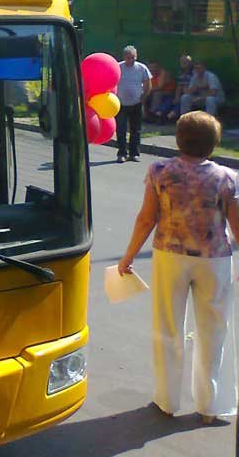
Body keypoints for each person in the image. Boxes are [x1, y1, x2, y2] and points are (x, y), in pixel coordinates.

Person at [118, 111, 239, 423]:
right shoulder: (228, 177)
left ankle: (167, 400)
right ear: (213, 144)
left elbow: (146, 218)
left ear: (178, 140)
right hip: (215, 259)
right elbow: (237, 226)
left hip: (170, 255)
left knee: (168, 325)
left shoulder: (160, 171)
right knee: (214, 330)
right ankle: (210, 405)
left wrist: (129, 256)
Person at [116, 45, 152, 163]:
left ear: (136, 57)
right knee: (121, 129)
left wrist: (143, 97)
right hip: (121, 103)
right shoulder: (118, 67)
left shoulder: (141, 68)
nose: (130, 60)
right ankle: (121, 153)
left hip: (136, 103)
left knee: (136, 130)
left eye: (132, 57)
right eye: (128, 57)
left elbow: (147, 83)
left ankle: (134, 154)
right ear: (124, 57)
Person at [167, 55, 193, 122]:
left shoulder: (194, 73)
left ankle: (173, 116)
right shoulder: (181, 73)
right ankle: (160, 113)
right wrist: (177, 97)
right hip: (183, 93)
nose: (183, 63)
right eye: (181, 62)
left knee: (184, 98)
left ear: (190, 63)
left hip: (193, 94)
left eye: (185, 62)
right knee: (171, 98)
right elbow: (179, 86)